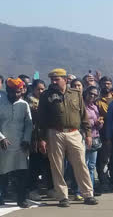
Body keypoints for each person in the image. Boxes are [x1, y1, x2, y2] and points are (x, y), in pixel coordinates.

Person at [37, 68, 98, 208]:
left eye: (57, 79)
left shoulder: (76, 94)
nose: (53, 81)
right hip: (55, 133)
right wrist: (42, 138)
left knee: (81, 164)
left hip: (74, 133)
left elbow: (84, 115)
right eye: (52, 79)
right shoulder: (46, 95)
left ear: (65, 80)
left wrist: (88, 134)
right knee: (57, 166)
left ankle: (88, 194)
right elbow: (41, 119)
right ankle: (63, 196)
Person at [0, 77, 32, 208]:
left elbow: (29, 124)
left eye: (18, 92)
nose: (15, 95)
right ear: (7, 90)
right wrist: (0, 137)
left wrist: (26, 139)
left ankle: (21, 199)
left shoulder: (24, 104)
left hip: (20, 145)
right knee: (3, 172)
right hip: (3, 144)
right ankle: (0, 196)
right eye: (13, 92)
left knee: (21, 173)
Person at [83, 86, 103, 193]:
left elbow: (97, 125)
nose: (92, 96)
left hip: (95, 137)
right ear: (86, 93)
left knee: (91, 165)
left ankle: (91, 189)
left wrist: (99, 124)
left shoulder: (95, 107)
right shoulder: (81, 106)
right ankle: (82, 189)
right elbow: (81, 122)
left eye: (95, 95)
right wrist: (93, 123)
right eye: (91, 93)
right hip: (84, 137)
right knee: (83, 165)